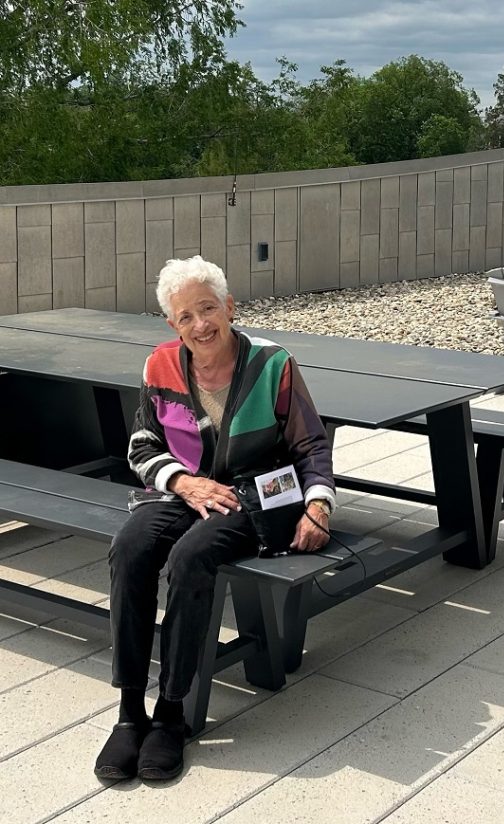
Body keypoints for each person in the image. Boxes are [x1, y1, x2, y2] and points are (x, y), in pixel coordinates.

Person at [94, 256, 337, 782]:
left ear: (230, 306)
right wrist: (181, 481)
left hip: (254, 496)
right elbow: (141, 444)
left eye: (208, 308)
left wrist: (318, 505)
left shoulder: (273, 363)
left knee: (191, 557)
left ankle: (172, 712)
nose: (200, 324)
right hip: (185, 492)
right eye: (186, 316)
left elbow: (311, 443)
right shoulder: (159, 364)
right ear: (172, 325)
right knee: (130, 547)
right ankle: (130, 711)